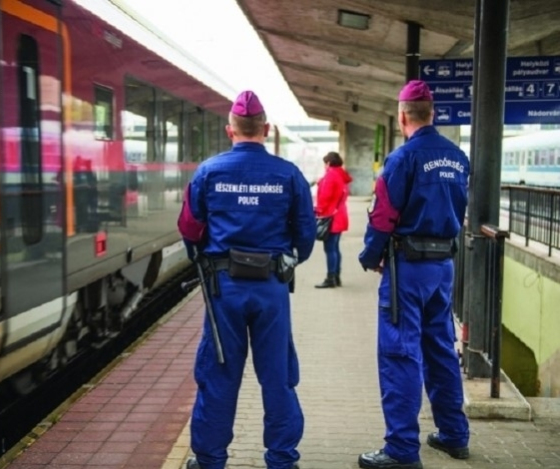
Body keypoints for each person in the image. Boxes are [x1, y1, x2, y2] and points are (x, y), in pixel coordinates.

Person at [177, 90, 316, 469]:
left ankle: (210, 460)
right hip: (272, 289)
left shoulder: (209, 172)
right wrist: (287, 263)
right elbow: (305, 234)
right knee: (278, 376)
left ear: (230, 130)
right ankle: (282, 459)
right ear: (266, 130)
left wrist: (206, 256)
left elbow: (189, 228)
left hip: (224, 289)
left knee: (219, 374)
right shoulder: (289, 174)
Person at [357, 80, 471, 469]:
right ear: (433, 114)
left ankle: (402, 451)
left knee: (400, 353)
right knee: (440, 347)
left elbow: (383, 214)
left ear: (402, 115)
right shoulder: (458, 157)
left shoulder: (402, 159)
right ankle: (454, 435)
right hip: (443, 268)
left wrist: (371, 255)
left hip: (407, 269)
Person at [313, 151, 352, 288]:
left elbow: (325, 197)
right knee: (335, 248)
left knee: (329, 249)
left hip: (331, 217)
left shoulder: (330, 175)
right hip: (340, 215)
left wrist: (317, 211)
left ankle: (330, 278)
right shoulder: (341, 175)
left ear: (328, 163)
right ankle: (336, 277)